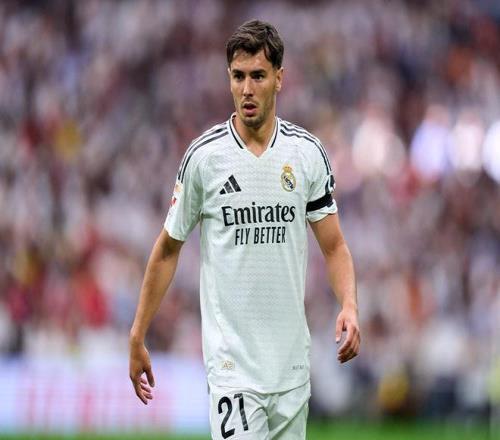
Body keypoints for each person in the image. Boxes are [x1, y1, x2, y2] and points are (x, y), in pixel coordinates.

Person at [129, 19, 360, 439]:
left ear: (279, 79)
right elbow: (167, 249)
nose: (247, 89)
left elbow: (334, 246)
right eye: (238, 77)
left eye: (258, 76)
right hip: (231, 370)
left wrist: (349, 304)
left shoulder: (306, 154)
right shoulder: (205, 159)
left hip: (291, 370)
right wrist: (138, 333)